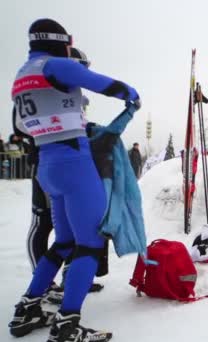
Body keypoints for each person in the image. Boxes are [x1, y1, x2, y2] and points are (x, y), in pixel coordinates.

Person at [8, 18, 140, 342]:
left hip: (47, 165)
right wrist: (130, 95)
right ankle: (67, 325)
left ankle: (27, 308)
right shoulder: (55, 65)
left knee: (64, 243)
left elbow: (23, 127)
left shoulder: (21, 76)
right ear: (58, 41)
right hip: (74, 165)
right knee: (90, 244)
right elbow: (98, 82)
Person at [22, 46, 107, 308]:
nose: (84, 73)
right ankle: (46, 286)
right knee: (44, 224)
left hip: (68, 170)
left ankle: (69, 282)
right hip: (50, 170)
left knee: (73, 235)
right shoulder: (41, 88)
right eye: (81, 68)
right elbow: (29, 129)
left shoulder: (70, 95)